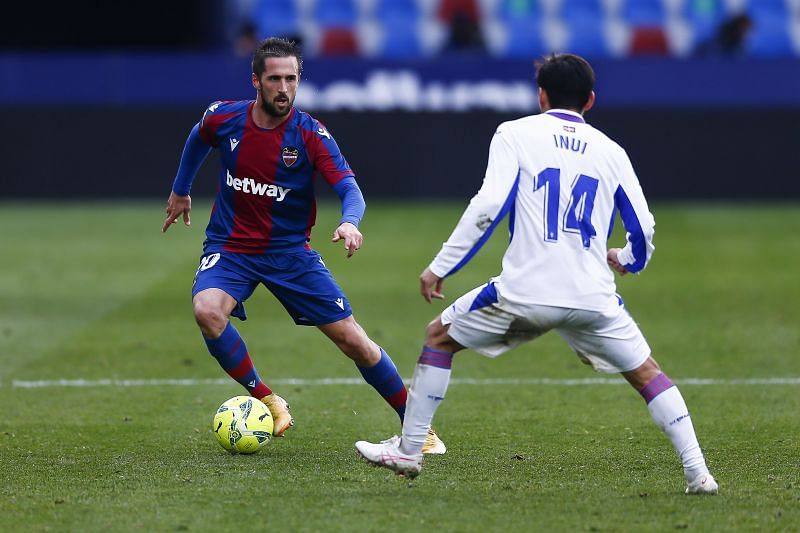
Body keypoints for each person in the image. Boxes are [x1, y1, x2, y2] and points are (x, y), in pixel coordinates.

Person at [355, 53, 717, 495]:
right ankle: (698, 473)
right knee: (648, 374)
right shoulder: (612, 152)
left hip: (524, 294)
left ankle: (410, 450)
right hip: (593, 299)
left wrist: (440, 266)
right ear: (591, 99)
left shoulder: (515, 133)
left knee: (438, 337)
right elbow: (643, 226)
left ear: (541, 95)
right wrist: (626, 260)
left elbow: (488, 207)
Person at [162, 37, 444, 454]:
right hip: (231, 248)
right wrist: (181, 189)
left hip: (291, 255)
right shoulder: (224, 117)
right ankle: (267, 399)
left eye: (291, 78)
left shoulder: (311, 135)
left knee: (354, 341)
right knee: (207, 310)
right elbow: (198, 136)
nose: (283, 87)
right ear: (255, 80)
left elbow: (351, 189)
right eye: (274, 78)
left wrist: (350, 222)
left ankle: (419, 430)